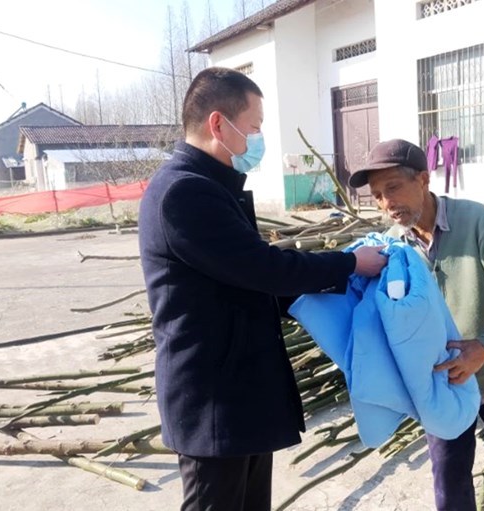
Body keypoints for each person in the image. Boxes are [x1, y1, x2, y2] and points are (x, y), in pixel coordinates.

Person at [138, 67, 387, 511]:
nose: (258, 139)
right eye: (253, 127)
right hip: (213, 398)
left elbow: (249, 277)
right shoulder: (184, 193)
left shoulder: (212, 188)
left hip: (239, 389)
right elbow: (263, 269)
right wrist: (350, 263)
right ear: (219, 124)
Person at [348, 138, 484, 511]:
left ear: (423, 179)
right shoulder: (390, 248)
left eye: (393, 187)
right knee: (449, 480)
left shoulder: (476, 222)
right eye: (377, 196)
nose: (386, 203)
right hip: (440, 383)